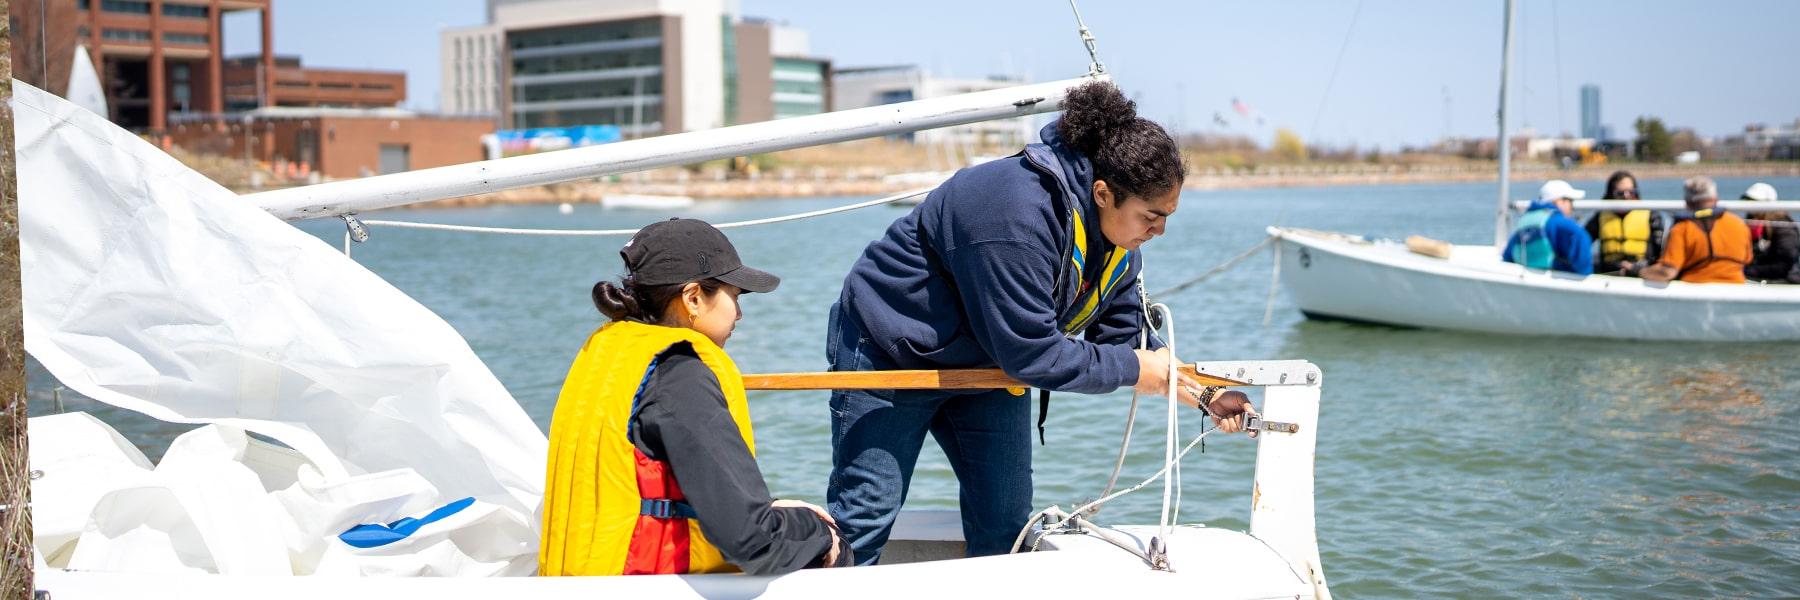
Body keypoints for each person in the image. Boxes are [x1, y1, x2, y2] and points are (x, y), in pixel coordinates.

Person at [823, 81, 1256, 565]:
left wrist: (1205, 393)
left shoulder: (1118, 242)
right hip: (891, 348)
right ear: (1103, 193)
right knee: (864, 519)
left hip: (989, 365)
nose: (1160, 232)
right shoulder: (1015, 213)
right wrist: (1137, 369)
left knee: (1006, 526)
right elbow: (1032, 352)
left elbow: (1126, 341)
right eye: (1151, 217)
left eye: (1168, 217)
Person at [541, 218, 847, 576]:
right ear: (694, 298)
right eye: (734, 296)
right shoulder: (680, 374)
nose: (740, 313)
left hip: (583, 585)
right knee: (836, 551)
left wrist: (775, 509)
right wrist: (819, 533)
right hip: (644, 588)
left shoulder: (611, 354)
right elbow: (753, 541)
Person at [1642, 177, 1753, 284]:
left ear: (1687, 202)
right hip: (1736, 287)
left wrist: (1638, 271)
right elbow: (1747, 259)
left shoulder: (1682, 229)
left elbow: (1667, 272)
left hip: (1695, 289)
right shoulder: (1739, 224)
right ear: (1716, 198)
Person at [1581, 170, 1668, 275]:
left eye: (1631, 192)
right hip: (1609, 272)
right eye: (1620, 193)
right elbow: (1581, 241)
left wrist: (1638, 268)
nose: (1626, 197)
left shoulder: (1652, 216)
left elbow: (1661, 251)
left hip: (1641, 272)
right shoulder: (1600, 216)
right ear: (1611, 195)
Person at [1504, 180, 1594, 275]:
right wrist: (1585, 274)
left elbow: (1508, 255)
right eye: (1570, 201)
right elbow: (1581, 237)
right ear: (1558, 201)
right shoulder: (1558, 222)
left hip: (1529, 278)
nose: (1571, 207)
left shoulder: (1525, 221)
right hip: (1559, 281)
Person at [1742, 182, 1797, 283]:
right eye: (1746, 201)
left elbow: (1784, 266)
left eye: (1753, 202)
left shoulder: (1783, 227)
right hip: (1755, 279)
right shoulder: (1750, 224)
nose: (1748, 206)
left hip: (1782, 282)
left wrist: (1746, 271)